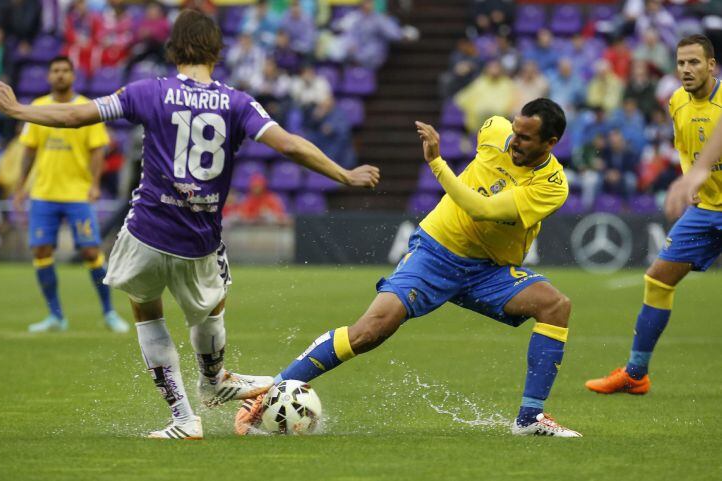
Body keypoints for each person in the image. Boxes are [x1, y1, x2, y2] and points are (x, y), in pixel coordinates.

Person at [0, 9, 380, 440]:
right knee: (210, 310)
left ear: (173, 50)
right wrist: (343, 174)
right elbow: (288, 145)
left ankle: (183, 418)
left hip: (146, 231)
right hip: (199, 240)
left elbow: (76, 116)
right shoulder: (237, 102)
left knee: (145, 310)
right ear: (217, 51)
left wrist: (18, 109)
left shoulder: (148, 91)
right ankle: (213, 380)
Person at [237, 99, 582, 437]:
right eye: (515, 130)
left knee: (555, 306)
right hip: (435, 253)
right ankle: (263, 396)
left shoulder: (551, 186)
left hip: (488, 271)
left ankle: (529, 419)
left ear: (550, 143)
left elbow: (483, 209)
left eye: (525, 138)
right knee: (369, 331)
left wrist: (436, 163)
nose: (514, 141)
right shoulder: (494, 129)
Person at [586, 35, 721, 395]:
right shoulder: (676, 102)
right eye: (680, 63)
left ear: (712, 65)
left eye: (694, 62)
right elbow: (685, 148)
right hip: (706, 209)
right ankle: (635, 373)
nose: (686, 70)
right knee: (658, 280)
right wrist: (688, 179)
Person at [11, 56, 129, 334]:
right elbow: (28, 151)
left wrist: (95, 183)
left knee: (90, 250)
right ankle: (55, 316)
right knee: (41, 250)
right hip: (43, 193)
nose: (60, 75)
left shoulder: (86, 108)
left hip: (77, 193)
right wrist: (19, 187)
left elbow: (98, 150)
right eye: (55, 70)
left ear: (73, 76)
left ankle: (109, 313)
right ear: (49, 76)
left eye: (65, 70)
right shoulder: (38, 109)